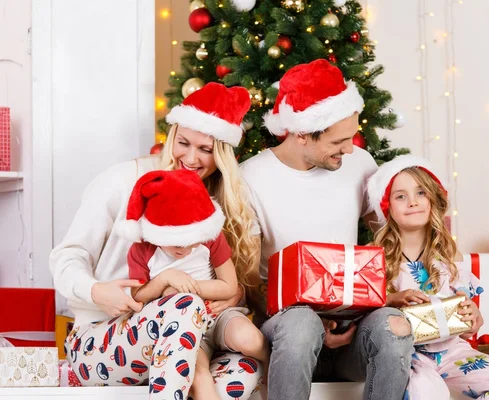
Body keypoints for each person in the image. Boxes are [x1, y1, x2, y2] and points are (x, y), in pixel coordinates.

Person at [49, 82, 263, 399]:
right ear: (172, 135)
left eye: (205, 149)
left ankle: (191, 375)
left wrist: (233, 295)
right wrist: (96, 290)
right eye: (183, 142)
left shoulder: (223, 198)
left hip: (184, 346)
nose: (190, 158)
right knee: (184, 304)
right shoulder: (122, 180)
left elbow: (229, 278)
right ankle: (196, 374)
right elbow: (66, 257)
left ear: (220, 154)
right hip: (102, 340)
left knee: (244, 373)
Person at [240, 59, 414, 400]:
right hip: (287, 331)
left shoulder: (360, 164)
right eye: (339, 141)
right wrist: (313, 324)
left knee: (393, 326)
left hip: (354, 330)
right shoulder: (250, 178)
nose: (349, 149)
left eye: (352, 137)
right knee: (302, 325)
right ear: (302, 133)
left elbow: (396, 239)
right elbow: (246, 281)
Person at [368, 154, 489, 400]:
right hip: (410, 357)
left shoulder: (450, 257)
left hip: (453, 352)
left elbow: (468, 318)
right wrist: (392, 298)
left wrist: (473, 319)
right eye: (400, 196)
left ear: (432, 199)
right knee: (428, 392)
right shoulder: (378, 258)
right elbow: (365, 318)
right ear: (387, 206)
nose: (413, 202)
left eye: (420, 193)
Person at [115, 168, 269, 400]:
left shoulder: (211, 238)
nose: (184, 250)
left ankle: (270, 369)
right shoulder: (142, 249)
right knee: (199, 377)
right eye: (176, 243)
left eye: (192, 242)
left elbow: (228, 286)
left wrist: (182, 288)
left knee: (250, 339)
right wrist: (165, 280)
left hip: (219, 314)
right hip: (181, 331)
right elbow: (137, 298)